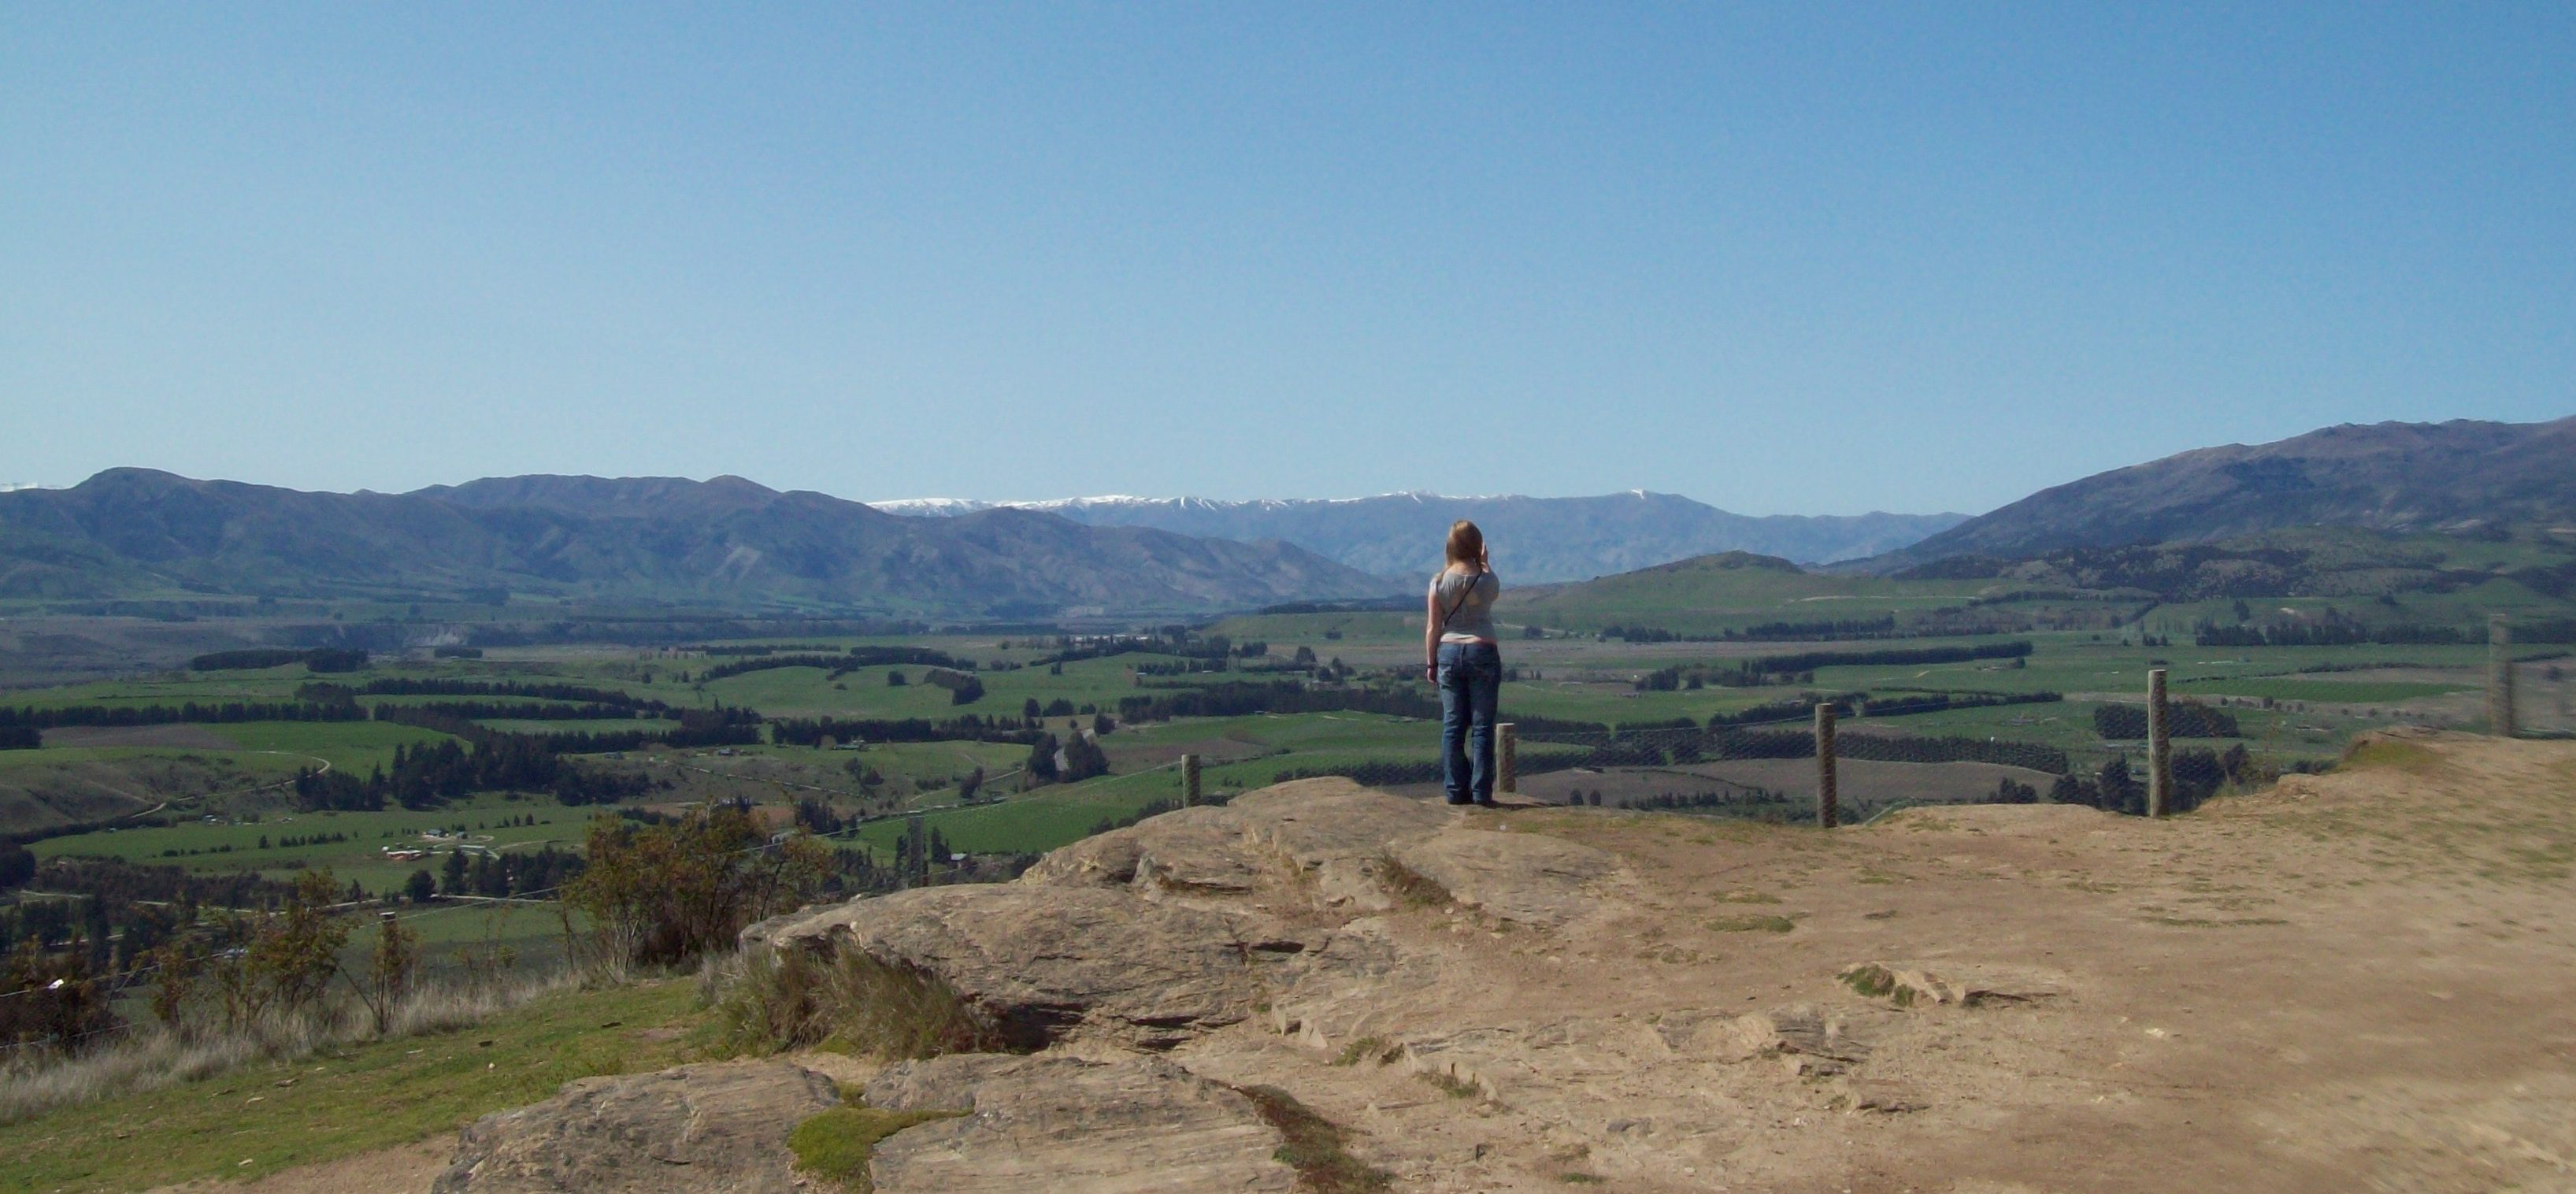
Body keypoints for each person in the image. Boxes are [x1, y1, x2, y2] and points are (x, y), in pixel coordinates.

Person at [1425, 520, 1503, 807]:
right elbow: (1491, 593)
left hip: (1448, 651)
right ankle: (1481, 792)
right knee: (1482, 726)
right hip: (1482, 649)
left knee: (1453, 724)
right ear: (1477, 545)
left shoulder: (1438, 582)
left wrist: (1431, 662)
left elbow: (1433, 627)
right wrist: (1485, 565)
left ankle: (1456, 791)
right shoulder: (1486, 580)